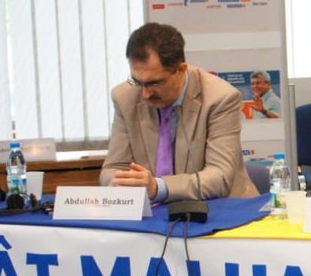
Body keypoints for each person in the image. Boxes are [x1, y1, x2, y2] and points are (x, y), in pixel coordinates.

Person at [102, 22, 256, 200]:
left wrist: (158, 187)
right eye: (137, 81)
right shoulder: (124, 97)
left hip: (221, 208)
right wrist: (121, 182)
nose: (145, 94)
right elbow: (112, 169)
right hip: (156, 211)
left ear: (181, 70)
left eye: (154, 83)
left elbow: (219, 178)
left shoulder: (220, 98)